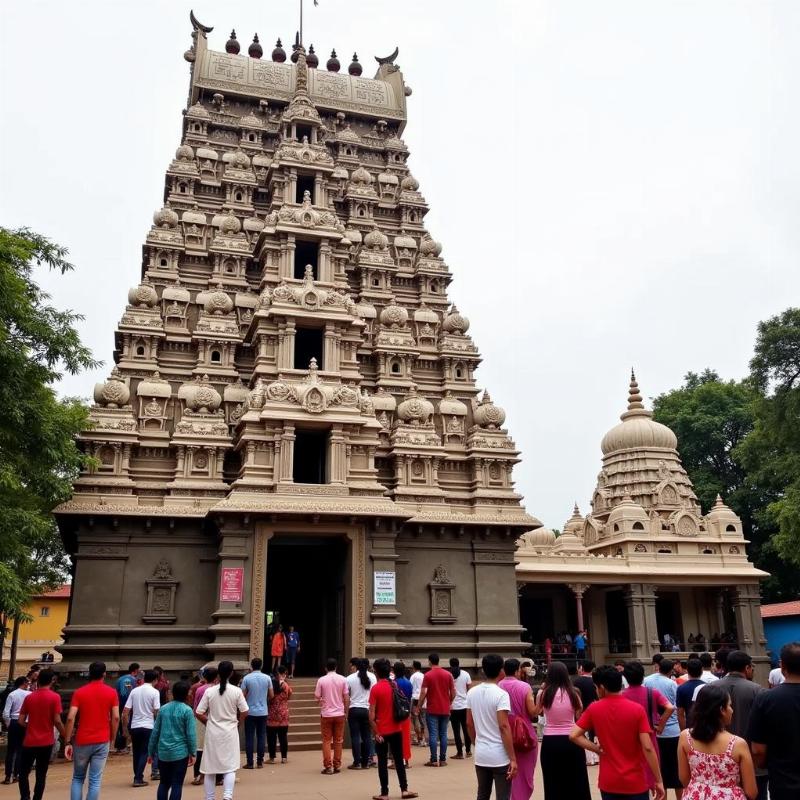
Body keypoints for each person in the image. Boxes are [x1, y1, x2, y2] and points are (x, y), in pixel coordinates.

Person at [570, 665, 665, 800]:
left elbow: (574, 735)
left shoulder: (594, 708)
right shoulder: (637, 710)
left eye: (596, 687)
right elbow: (648, 747)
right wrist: (658, 780)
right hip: (635, 781)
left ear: (601, 688)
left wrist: (597, 749)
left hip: (609, 781)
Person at [677, 683, 757, 800]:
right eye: (729, 705)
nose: (732, 710)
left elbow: (684, 778)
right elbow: (751, 791)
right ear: (721, 710)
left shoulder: (685, 737)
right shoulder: (737, 744)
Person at [747, 641, 800, 800]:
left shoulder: (766, 699)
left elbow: (757, 750)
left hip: (783, 783)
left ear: (782, 666)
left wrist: (764, 765)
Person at [64, 661, 120, 800]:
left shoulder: (79, 692)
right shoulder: (112, 692)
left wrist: (67, 741)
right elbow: (116, 717)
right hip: (102, 739)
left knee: (78, 777)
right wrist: (112, 737)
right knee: (95, 780)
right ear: (104, 674)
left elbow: (70, 718)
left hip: (82, 740)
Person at [714, 651, 767, 799]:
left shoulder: (711, 689)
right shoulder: (758, 690)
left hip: (719, 762)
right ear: (747, 668)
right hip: (753, 763)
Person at [195, 660, 249, 800]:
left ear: (218, 673)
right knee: (229, 767)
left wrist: (208, 723)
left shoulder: (209, 691)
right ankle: (227, 796)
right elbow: (245, 711)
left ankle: (209, 798)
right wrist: (238, 723)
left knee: (210, 768)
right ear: (231, 673)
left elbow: (199, 712)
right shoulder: (236, 691)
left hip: (213, 732)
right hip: (230, 731)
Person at [537, 661, 591, 800]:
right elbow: (579, 715)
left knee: (552, 781)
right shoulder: (574, 693)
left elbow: (540, 713)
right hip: (572, 739)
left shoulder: (543, 694)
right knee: (577, 779)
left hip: (550, 741)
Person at [466, 653, 517, 800]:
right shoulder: (501, 694)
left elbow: (469, 723)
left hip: (481, 753)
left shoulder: (472, 692)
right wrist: (513, 758)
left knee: (482, 794)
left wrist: (476, 742)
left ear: (483, 670)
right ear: (501, 670)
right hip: (499, 755)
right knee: (503, 796)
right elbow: (503, 726)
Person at [369, 658, 418, 800]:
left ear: (376, 672)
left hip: (382, 731)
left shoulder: (376, 688)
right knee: (399, 760)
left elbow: (371, 715)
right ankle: (404, 789)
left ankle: (384, 793)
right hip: (397, 728)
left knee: (382, 763)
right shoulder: (394, 685)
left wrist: (376, 732)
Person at [623, 660, 674, 795]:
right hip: (650, 736)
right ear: (642, 675)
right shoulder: (652, 692)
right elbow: (670, 707)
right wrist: (661, 725)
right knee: (653, 774)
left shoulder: (622, 695)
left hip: (629, 739)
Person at [17, 669, 63, 800]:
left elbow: (20, 720)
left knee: (24, 772)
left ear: (38, 680)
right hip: (46, 741)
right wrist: (66, 734)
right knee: (41, 774)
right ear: (52, 681)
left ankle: (25, 797)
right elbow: (57, 721)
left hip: (30, 740)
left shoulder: (29, 697)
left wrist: (30, 726)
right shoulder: (55, 697)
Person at [498, 658, 539, 800]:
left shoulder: (498, 686)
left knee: (508, 769)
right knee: (526, 771)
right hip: (524, 732)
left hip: (504, 732)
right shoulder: (525, 687)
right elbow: (533, 712)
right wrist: (540, 702)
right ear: (517, 671)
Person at [147, 680, 196, 800]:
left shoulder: (163, 709)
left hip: (163, 753)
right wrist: (193, 752)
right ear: (186, 694)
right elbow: (190, 734)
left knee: (164, 783)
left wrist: (150, 751)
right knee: (177, 784)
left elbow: (155, 732)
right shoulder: (187, 711)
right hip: (180, 753)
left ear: (172, 693)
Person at [644, 658, 683, 800]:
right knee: (677, 770)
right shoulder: (672, 684)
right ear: (671, 670)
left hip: (653, 731)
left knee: (660, 770)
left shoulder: (647, 681)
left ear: (658, 667)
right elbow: (675, 706)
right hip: (673, 731)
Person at [123, 668, 161, 787]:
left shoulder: (135, 691)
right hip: (148, 725)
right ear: (155, 680)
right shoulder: (155, 692)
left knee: (137, 752)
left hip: (135, 726)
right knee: (145, 752)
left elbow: (125, 711)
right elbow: (157, 711)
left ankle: (138, 776)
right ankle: (138, 778)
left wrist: (125, 728)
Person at [418, 652, 455, 767]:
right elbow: (454, 692)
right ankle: (443, 759)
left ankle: (433, 760)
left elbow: (423, 692)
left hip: (432, 708)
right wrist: (449, 701)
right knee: (443, 734)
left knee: (433, 734)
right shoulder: (448, 674)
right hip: (445, 708)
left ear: (429, 661)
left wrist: (419, 705)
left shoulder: (428, 675)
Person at [314, 657, 349, 774]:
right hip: (339, 712)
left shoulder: (321, 680)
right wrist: (346, 711)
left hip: (326, 713)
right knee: (338, 740)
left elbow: (317, 697)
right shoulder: (343, 679)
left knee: (326, 740)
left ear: (325, 668)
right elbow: (346, 697)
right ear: (336, 667)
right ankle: (337, 765)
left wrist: (321, 700)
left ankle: (328, 766)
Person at [240, 657, 273, 769]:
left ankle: (250, 762)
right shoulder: (267, 678)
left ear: (251, 666)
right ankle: (260, 762)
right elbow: (272, 695)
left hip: (249, 712)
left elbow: (242, 695)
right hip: (263, 711)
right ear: (261, 666)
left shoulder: (246, 678)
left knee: (249, 737)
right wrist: (264, 700)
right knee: (261, 736)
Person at [346, 657, 376, 770]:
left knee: (355, 736)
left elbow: (346, 695)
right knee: (367, 736)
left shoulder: (349, 678)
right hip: (367, 709)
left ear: (356, 666)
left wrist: (346, 711)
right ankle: (366, 762)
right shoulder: (372, 677)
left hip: (354, 709)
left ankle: (357, 762)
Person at [190, 666, 216, 785]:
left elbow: (195, 707)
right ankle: (216, 775)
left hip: (200, 719)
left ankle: (198, 775)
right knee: (214, 748)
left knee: (200, 748)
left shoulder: (199, 689)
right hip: (215, 720)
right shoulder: (218, 689)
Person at [2, 676, 30, 784]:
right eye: (27, 683)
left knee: (11, 750)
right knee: (21, 750)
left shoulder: (12, 694)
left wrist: (9, 724)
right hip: (25, 723)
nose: (28, 685)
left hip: (14, 722)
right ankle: (16, 775)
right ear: (23, 683)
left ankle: (8, 776)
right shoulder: (29, 694)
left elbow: (5, 713)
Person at [573, 660, 599, 766]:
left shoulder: (577, 682)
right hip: (596, 710)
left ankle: (589, 758)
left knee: (584, 735)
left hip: (582, 711)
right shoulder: (596, 681)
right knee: (595, 734)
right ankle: (596, 756)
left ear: (582, 668)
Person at [266, 665, 292, 764]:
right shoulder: (286, 686)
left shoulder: (271, 685)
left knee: (271, 737)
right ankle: (284, 758)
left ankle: (272, 758)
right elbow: (289, 695)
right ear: (283, 673)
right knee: (283, 737)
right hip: (283, 713)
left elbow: (269, 697)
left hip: (272, 713)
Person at [449, 657, 472, 759]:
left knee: (456, 731)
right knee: (466, 730)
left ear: (450, 664)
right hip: (465, 706)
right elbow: (469, 690)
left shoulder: (449, 675)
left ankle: (459, 752)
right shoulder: (466, 674)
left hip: (453, 707)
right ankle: (468, 751)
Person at [115, 663, 140, 754]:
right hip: (130, 706)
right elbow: (130, 692)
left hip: (119, 705)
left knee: (121, 725)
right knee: (130, 725)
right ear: (136, 670)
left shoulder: (119, 679)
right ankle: (129, 745)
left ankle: (120, 746)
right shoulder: (133, 680)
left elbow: (117, 692)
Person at [393, 661, 413, 768]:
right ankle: (406, 760)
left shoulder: (394, 683)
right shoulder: (408, 682)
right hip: (406, 713)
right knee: (406, 737)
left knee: (396, 738)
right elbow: (410, 698)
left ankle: (398, 761)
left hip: (396, 713)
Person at [676, 658, 704, 730]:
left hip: (689, 727)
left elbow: (680, 714)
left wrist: (683, 732)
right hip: (706, 728)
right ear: (701, 670)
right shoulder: (708, 687)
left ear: (687, 670)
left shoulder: (681, 688)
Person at [409, 661, 427, 748]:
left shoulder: (413, 676)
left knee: (415, 718)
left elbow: (410, 687)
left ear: (414, 667)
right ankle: (423, 738)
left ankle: (419, 737)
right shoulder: (423, 675)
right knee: (422, 719)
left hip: (415, 698)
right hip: (423, 698)